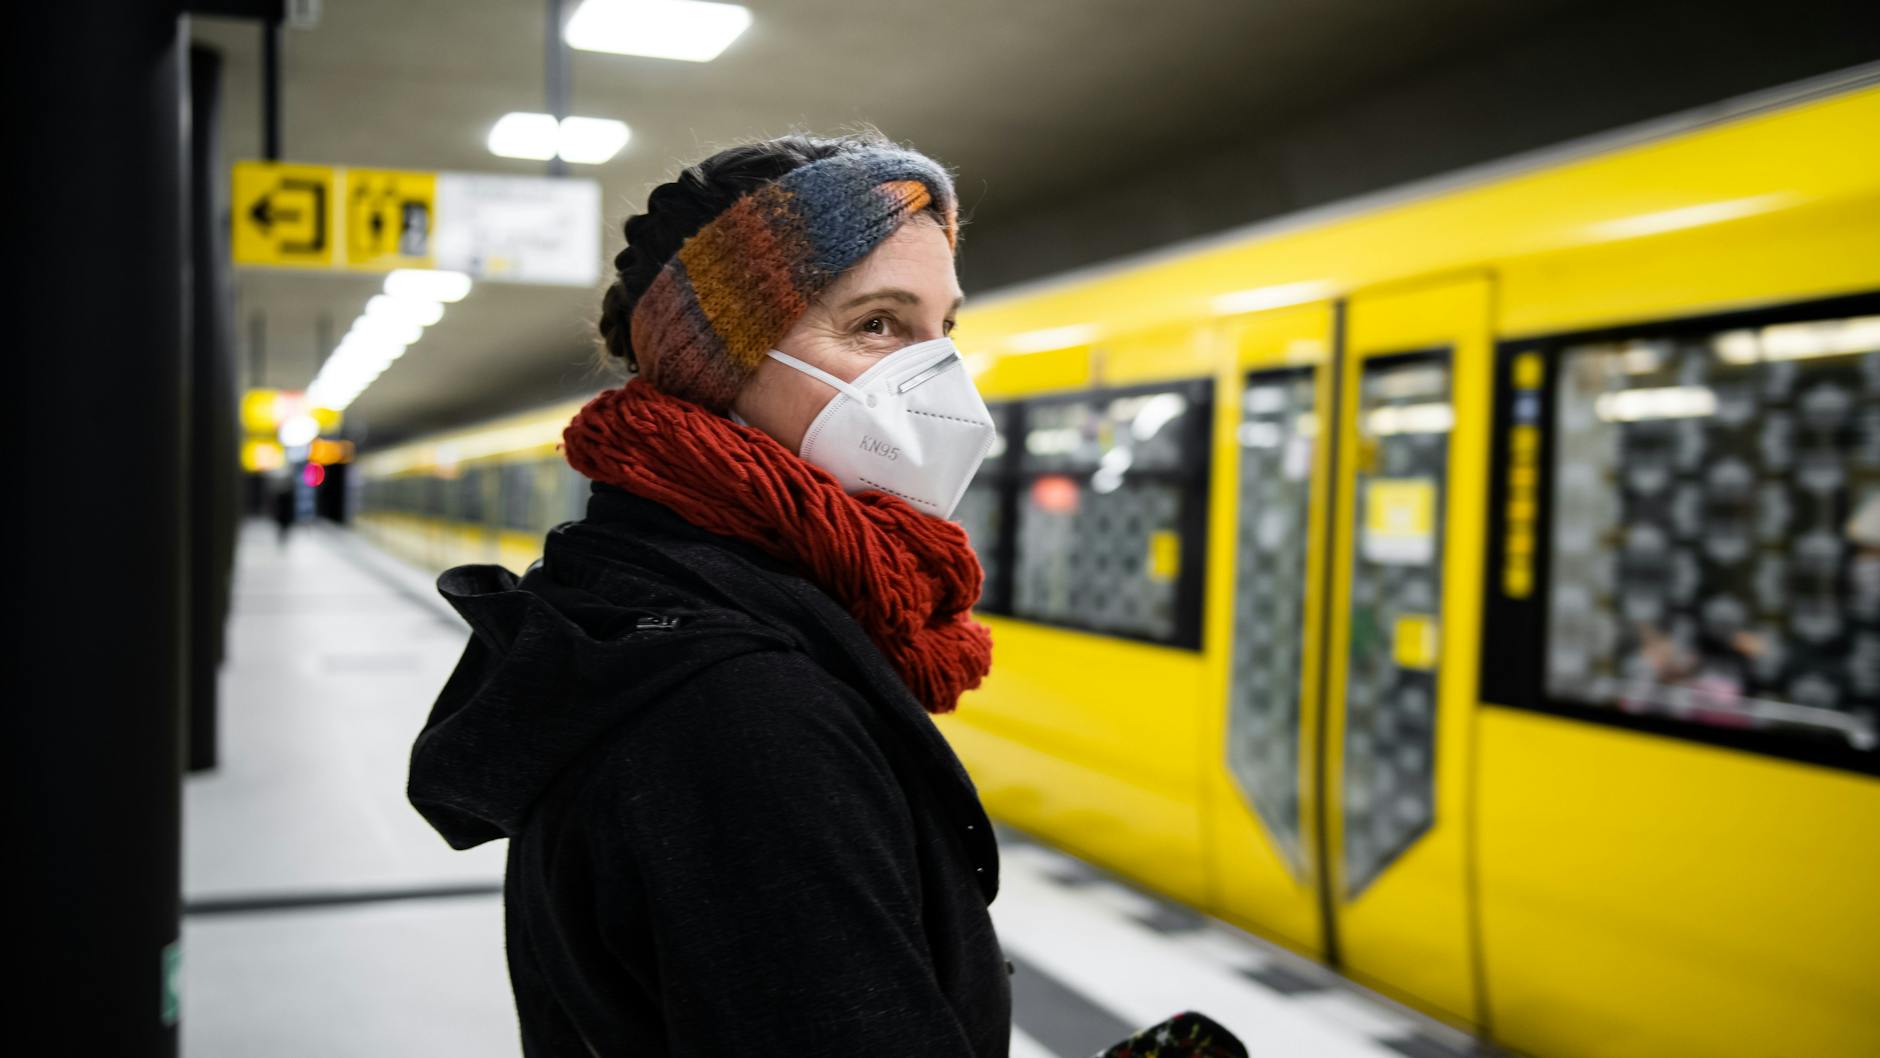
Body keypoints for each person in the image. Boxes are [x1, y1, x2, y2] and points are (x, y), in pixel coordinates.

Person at [406, 133, 1011, 1056]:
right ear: (715, 365)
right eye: (877, 325)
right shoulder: (745, 715)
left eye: (945, 330)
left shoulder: (632, 602)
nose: (938, 378)